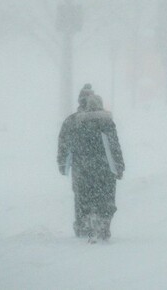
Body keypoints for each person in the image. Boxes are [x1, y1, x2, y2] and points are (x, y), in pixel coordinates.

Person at [60, 93, 125, 242]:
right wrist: (119, 166)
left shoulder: (77, 123)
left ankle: (88, 226)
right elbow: (114, 146)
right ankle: (103, 225)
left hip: (83, 169)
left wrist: (65, 165)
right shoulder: (106, 122)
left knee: (84, 199)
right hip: (105, 169)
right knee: (106, 198)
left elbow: (68, 145)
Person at [57, 84, 94, 237]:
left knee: (80, 195)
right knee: (97, 193)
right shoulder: (101, 120)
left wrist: (62, 163)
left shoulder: (71, 120)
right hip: (98, 165)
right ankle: (97, 221)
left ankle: (82, 224)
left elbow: (63, 143)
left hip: (79, 165)